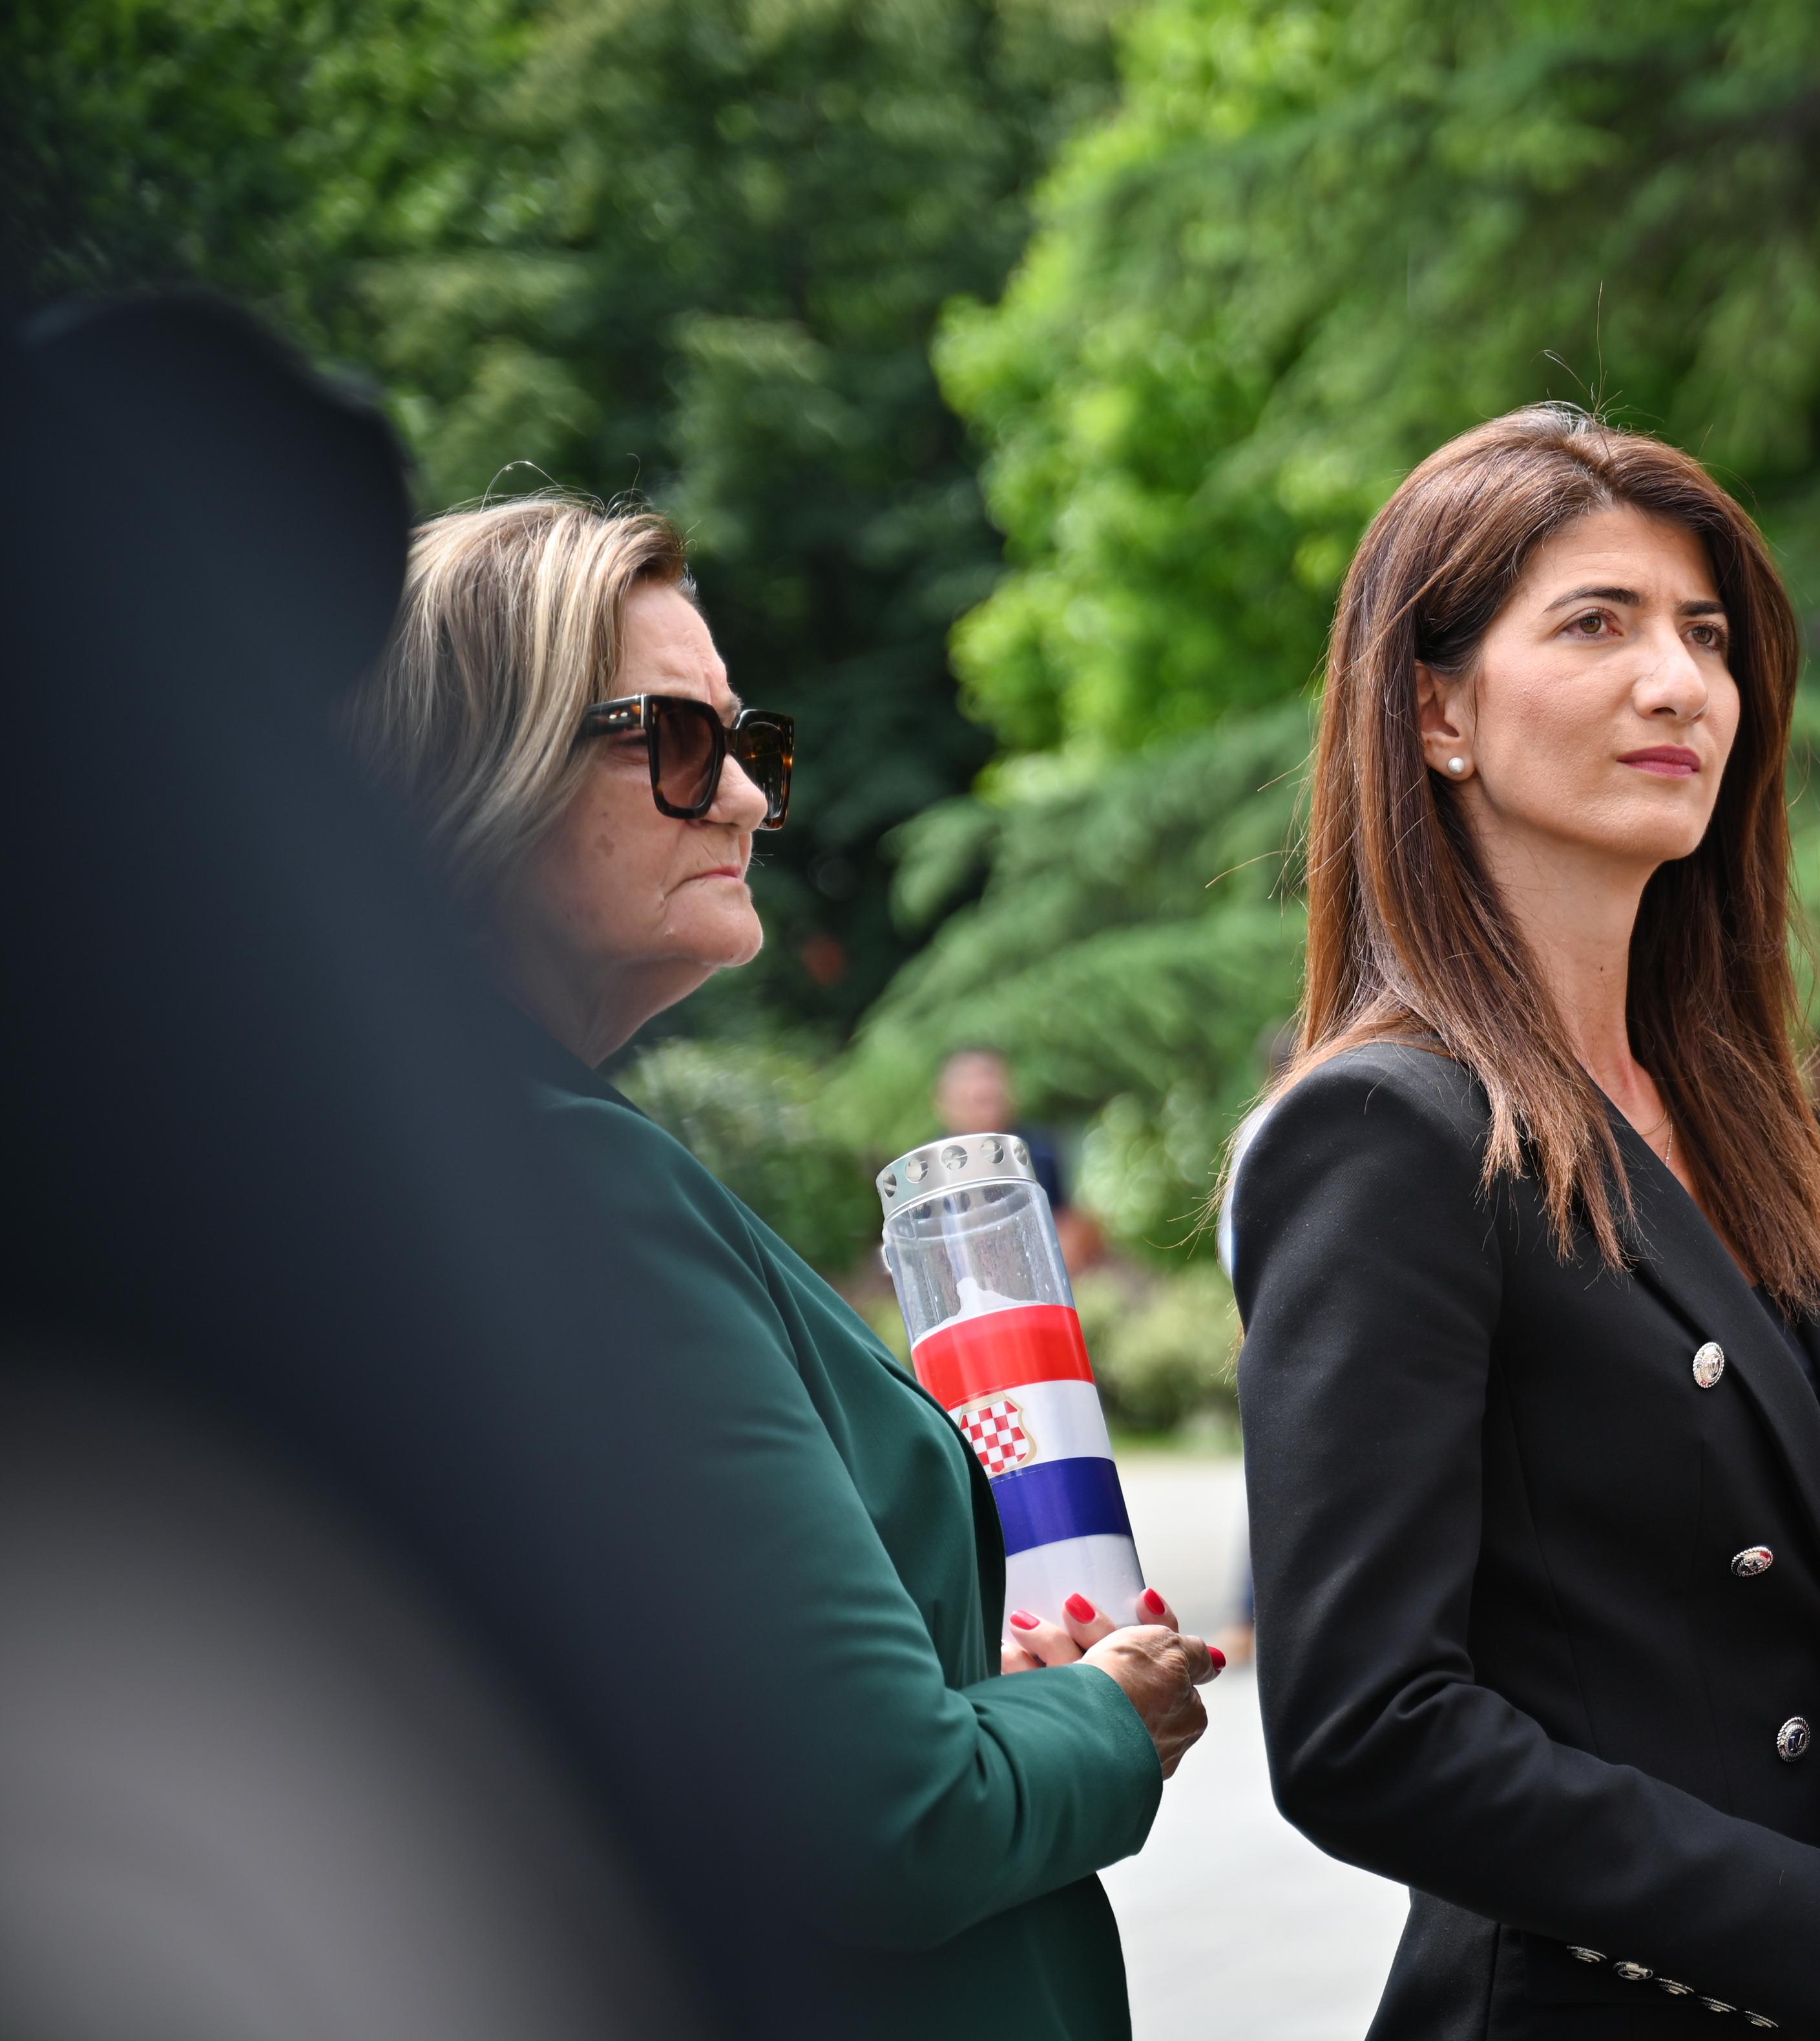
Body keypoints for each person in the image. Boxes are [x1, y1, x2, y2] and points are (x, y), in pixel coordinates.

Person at [1228, 404, 1820, 2035]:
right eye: (1596, 625)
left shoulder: (1741, 1118)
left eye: (1705, 634)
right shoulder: (1388, 1130)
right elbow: (1361, 1729)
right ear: (1438, 711)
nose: (1679, 682)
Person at [354, 492, 1219, 2041]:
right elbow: (897, 1813)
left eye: (752, 743)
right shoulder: (575, 1185)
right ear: (481, 770)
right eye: (680, 742)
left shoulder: (417, 1165)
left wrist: (983, 1684)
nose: (748, 797)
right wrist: (1112, 1713)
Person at [939, 1044, 1105, 1271]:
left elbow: (1076, 1222)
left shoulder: (1040, 1150)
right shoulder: (931, 1170)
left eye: (990, 1076)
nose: (982, 1087)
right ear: (944, 1102)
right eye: (969, 1080)